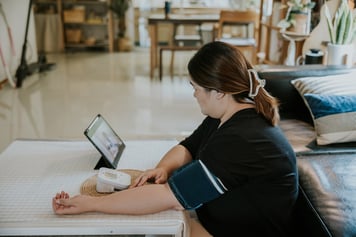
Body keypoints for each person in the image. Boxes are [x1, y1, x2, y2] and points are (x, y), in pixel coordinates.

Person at [52, 41, 299, 237]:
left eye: (196, 87)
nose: (193, 94)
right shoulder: (230, 113)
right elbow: (189, 146)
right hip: (218, 219)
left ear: (219, 92)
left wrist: (91, 204)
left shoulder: (242, 139)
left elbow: (170, 197)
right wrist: (162, 168)